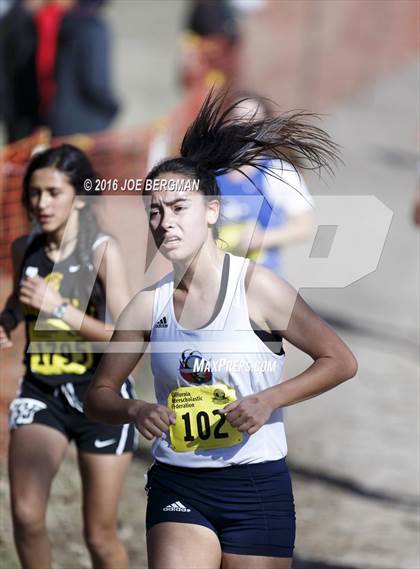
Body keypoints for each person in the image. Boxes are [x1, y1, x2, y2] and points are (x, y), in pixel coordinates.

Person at [85, 92, 358, 569]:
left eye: (178, 208)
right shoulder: (147, 306)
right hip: (178, 483)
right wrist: (135, 408)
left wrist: (270, 399)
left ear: (212, 211)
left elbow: (340, 361)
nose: (165, 222)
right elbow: (99, 394)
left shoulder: (259, 288)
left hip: (255, 485)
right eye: (155, 211)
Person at [0, 144, 135, 569]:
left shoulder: (101, 251)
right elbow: (19, 303)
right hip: (42, 391)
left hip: (101, 398)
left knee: (98, 536)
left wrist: (60, 309)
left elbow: (128, 337)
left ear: (79, 196)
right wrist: (5, 323)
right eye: (35, 194)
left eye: (53, 193)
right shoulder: (25, 248)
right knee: (25, 514)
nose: (41, 203)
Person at [216, 94, 315, 275]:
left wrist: (262, 238)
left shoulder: (279, 172)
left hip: (260, 281)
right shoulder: (208, 170)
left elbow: (304, 227)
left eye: (253, 121)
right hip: (213, 280)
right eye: (238, 119)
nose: (245, 127)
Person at [48, 0, 119, 136]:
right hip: (87, 124)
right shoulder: (94, 29)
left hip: (58, 121)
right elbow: (95, 83)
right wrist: (113, 107)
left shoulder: (65, 25)